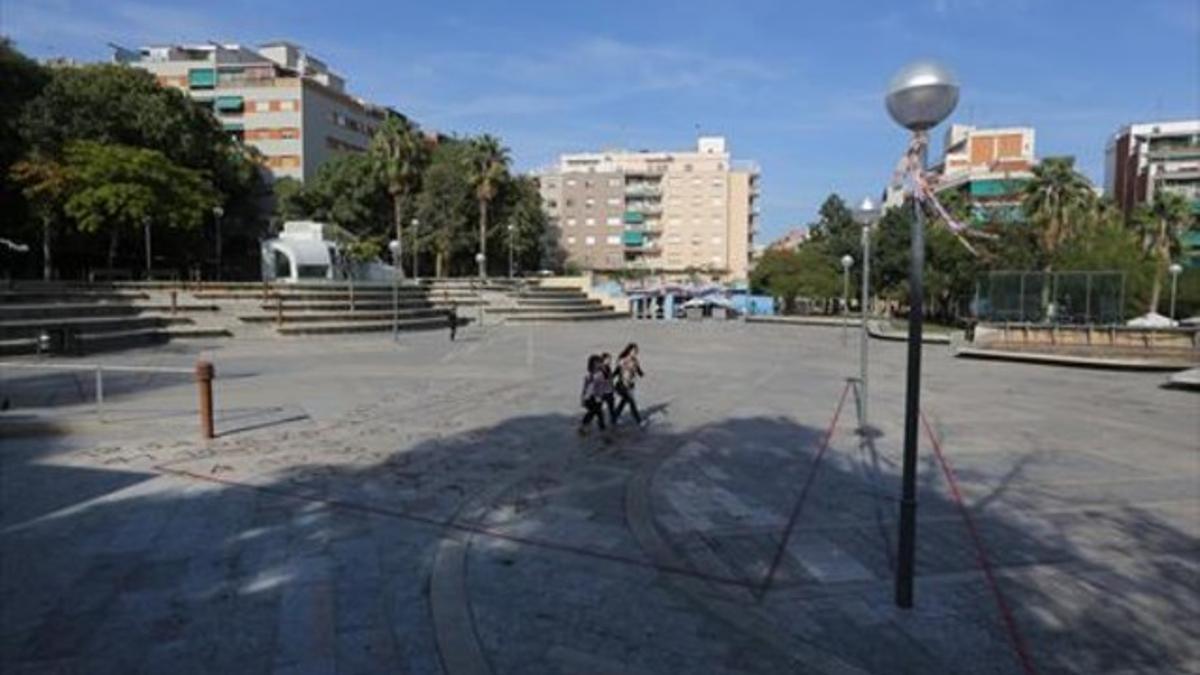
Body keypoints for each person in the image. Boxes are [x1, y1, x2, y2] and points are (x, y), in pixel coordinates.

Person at [613, 342, 645, 427]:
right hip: (621, 385)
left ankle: (615, 417)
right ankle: (639, 421)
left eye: (636, 351)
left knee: (624, 401)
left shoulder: (635, 361)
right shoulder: (623, 360)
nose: (635, 352)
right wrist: (610, 378)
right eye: (634, 351)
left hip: (630, 385)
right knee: (631, 402)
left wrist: (641, 373)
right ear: (629, 351)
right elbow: (617, 371)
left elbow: (638, 369)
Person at [578, 354, 607, 436]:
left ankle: (587, 426)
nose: (601, 364)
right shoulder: (591, 376)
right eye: (599, 363)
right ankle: (585, 426)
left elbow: (603, 384)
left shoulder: (601, 373)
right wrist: (584, 398)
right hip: (592, 398)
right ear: (594, 365)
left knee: (597, 412)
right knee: (594, 412)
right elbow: (587, 388)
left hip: (598, 397)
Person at [598, 352, 617, 424]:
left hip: (609, 391)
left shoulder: (608, 367)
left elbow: (610, 378)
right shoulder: (600, 369)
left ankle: (613, 422)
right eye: (609, 359)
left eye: (610, 359)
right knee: (598, 409)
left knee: (612, 408)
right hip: (602, 392)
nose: (610, 361)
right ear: (604, 359)